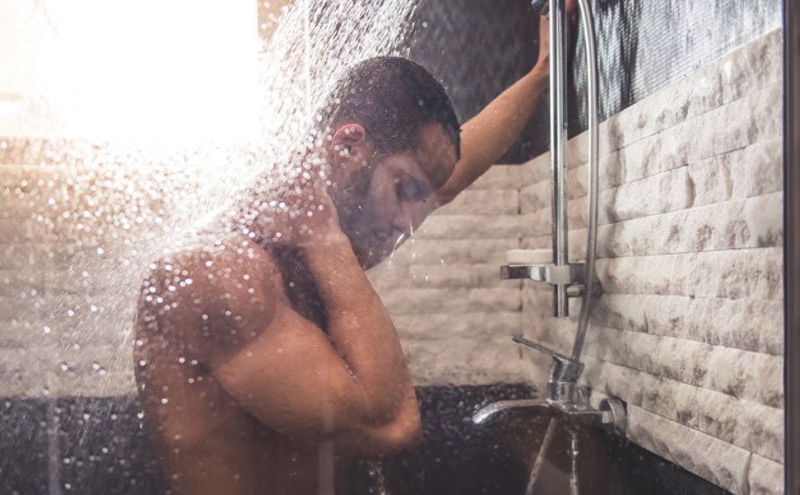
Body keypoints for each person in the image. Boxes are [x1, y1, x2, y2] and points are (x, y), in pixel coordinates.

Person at [134, 13, 557, 495]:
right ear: (348, 143)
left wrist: (542, 72)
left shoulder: (347, 213)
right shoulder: (218, 272)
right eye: (406, 189)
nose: (407, 224)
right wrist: (323, 237)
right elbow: (396, 424)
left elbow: (453, 174)